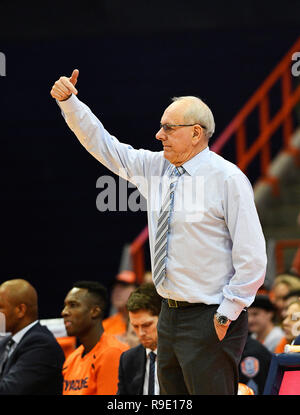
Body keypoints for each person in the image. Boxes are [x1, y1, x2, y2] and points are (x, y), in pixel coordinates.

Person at [51, 70, 267, 395]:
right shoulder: (156, 168)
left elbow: (252, 257)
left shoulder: (227, 179)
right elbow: (105, 147)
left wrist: (228, 313)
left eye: (168, 127)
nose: (158, 134)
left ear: (196, 133)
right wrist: (71, 103)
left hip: (211, 315)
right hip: (169, 313)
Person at [61, 280, 128, 395]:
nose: (64, 312)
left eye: (73, 305)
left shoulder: (112, 353)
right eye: (65, 306)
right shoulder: (72, 359)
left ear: (95, 312)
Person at [0, 279, 65, 394]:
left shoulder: (41, 345)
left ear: (20, 310)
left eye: (0, 307)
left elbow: (8, 391)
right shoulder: (5, 342)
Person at [117, 282, 161, 395]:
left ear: (162, 318)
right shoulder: (128, 359)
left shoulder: (181, 357)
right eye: (135, 326)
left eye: (147, 325)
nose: (141, 333)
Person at [103, 270, 137, 337]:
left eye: (124, 286)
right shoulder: (104, 326)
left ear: (136, 290)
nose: (117, 291)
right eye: (115, 287)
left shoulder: (147, 322)